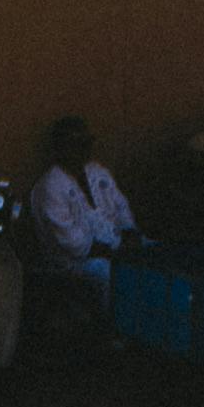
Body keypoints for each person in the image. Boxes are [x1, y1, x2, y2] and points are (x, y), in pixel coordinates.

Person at [26, 118, 139, 295]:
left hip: (116, 246)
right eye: (75, 145)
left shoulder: (96, 171)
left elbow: (121, 206)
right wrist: (117, 252)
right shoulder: (51, 186)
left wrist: (129, 232)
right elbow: (75, 245)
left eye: (85, 144)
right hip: (76, 263)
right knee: (112, 275)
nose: (82, 150)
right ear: (60, 149)